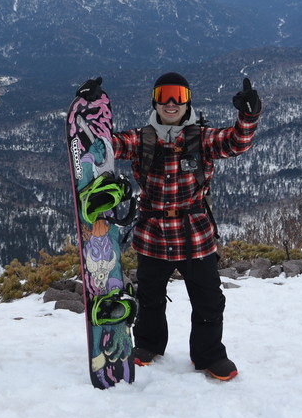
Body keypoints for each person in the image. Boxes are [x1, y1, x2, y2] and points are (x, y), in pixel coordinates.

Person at [108, 71, 261, 380]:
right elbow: (109, 145)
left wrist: (248, 117)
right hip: (153, 234)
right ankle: (148, 344)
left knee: (208, 299)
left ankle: (209, 355)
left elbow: (234, 142)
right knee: (150, 296)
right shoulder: (143, 138)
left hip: (195, 234)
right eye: (164, 95)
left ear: (188, 100)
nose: (171, 102)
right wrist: (89, 115)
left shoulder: (200, 138)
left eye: (178, 95)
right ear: (155, 100)